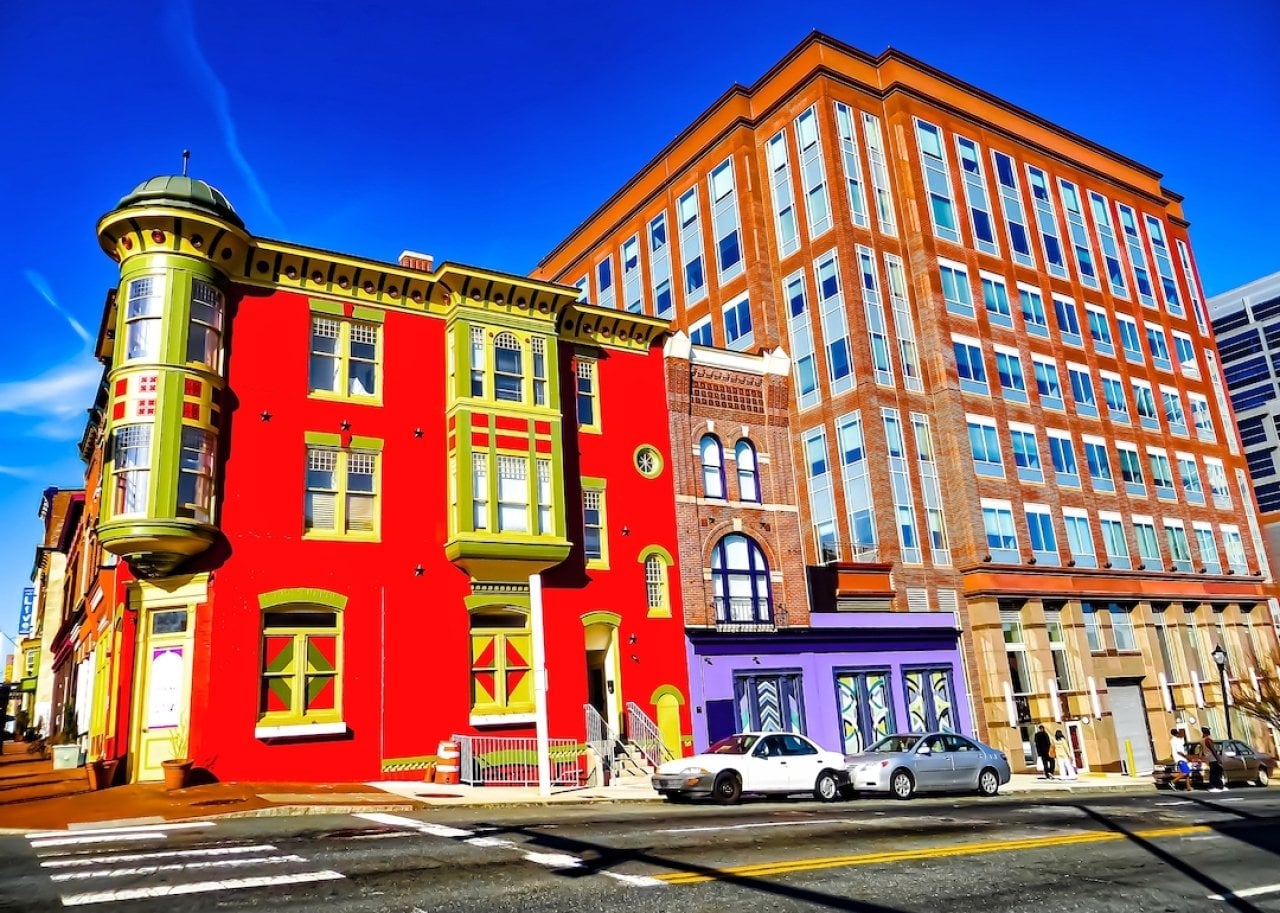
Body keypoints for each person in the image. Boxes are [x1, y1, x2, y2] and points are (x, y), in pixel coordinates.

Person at [1202, 726, 1227, 792]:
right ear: (1207, 731)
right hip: (1213, 758)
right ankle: (1213, 786)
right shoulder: (1208, 739)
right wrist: (1218, 759)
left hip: (1208, 758)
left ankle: (1219, 786)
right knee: (1216, 773)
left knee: (1214, 772)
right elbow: (1213, 750)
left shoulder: (1202, 740)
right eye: (1209, 730)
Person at [1169, 727, 1191, 791]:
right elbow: (1179, 752)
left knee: (1187, 773)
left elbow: (1183, 740)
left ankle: (1188, 787)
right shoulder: (1175, 741)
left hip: (1181, 759)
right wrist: (1186, 757)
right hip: (1180, 758)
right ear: (1177, 733)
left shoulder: (1174, 740)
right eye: (1179, 733)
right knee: (1185, 772)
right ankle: (1172, 782)